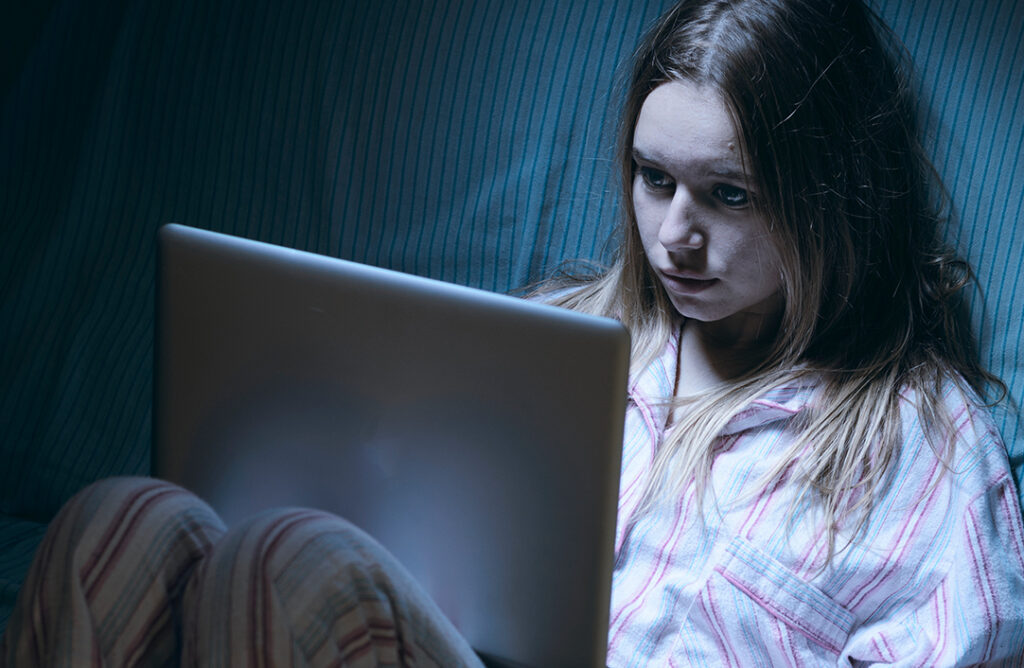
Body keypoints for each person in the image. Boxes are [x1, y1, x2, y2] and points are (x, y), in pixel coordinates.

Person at [4, 0, 1024, 665]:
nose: (676, 235)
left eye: (730, 193)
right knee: (117, 524)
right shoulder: (549, 342)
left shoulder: (920, 442)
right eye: (653, 178)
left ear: (828, 197)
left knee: (292, 559)